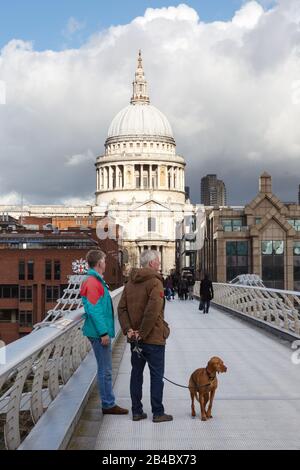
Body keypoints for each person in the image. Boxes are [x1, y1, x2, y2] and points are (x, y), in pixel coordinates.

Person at [118, 250, 173, 423]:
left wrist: (129, 330)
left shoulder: (130, 282)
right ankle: (157, 412)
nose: (159, 263)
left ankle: (136, 411)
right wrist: (142, 333)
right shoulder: (155, 282)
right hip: (153, 338)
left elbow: (121, 309)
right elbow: (153, 311)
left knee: (136, 374)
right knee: (156, 376)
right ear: (151, 264)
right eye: (157, 261)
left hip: (135, 339)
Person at [80, 250, 128, 416]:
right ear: (99, 263)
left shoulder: (95, 281)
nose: (106, 264)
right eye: (104, 261)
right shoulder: (92, 282)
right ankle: (108, 404)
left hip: (98, 331)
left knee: (105, 368)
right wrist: (103, 333)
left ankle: (108, 402)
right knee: (105, 370)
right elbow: (94, 310)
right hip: (98, 333)